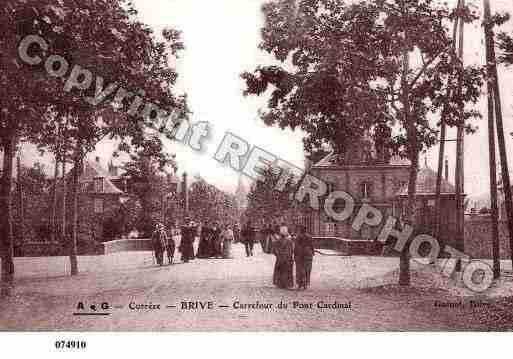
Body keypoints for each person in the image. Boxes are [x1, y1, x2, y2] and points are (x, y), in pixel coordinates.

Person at [294, 225, 314, 290]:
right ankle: (305, 284)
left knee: (300, 268)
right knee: (307, 268)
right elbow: (311, 245)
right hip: (308, 253)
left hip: (300, 253)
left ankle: (300, 283)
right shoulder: (309, 236)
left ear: (301, 230)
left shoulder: (298, 236)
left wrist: (295, 254)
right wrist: (312, 252)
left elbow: (296, 246)